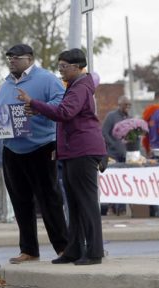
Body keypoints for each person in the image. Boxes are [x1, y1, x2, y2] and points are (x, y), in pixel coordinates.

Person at [0, 44, 68, 264]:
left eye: (17, 57)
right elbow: (0, 109)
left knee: (49, 200)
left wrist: (36, 107)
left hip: (41, 146)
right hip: (12, 149)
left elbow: (61, 104)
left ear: (30, 59)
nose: (12, 61)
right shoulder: (6, 84)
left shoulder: (47, 79)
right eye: (9, 58)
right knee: (20, 201)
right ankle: (29, 250)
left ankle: (64, 247)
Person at [17, 48, 107, 265]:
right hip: (72, 151)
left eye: (64, 66)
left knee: (86, 204)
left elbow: (64, 113)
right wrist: (40, 111)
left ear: (77, 67)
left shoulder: (81, 87)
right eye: (59, 66)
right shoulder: (75, 86)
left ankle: (94, 252)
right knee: (74, 204)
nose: (60, 70)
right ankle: (74, 250)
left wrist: (33, 103)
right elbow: (65, 115)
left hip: (83, 151)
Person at [102, 95, 132, 162]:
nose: (128, 106)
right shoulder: (111, 116)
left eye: (129, 104)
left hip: (125, 154)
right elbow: (104, 132)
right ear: (119, 105)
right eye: (125, 104)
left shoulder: (130, 118)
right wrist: (113, 144)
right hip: (112, 155)